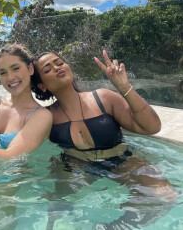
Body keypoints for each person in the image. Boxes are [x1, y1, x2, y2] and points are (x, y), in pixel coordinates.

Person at [31, 49, 179, 229]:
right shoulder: (46, 118)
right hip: (75, 166)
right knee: (57, 213)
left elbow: (152, 127)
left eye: (59, 62)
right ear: (42, 86)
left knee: (166, 195)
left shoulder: (103, 98)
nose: (57, 67)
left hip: (121, 160)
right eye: (47, 69)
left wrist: (124, 88)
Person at [0, 43, 52, 160]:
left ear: (30, 69)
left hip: (16, 178)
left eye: (16, 68)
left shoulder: (41, 116)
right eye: (3, 72)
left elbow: (11, 156)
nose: (10, 77)